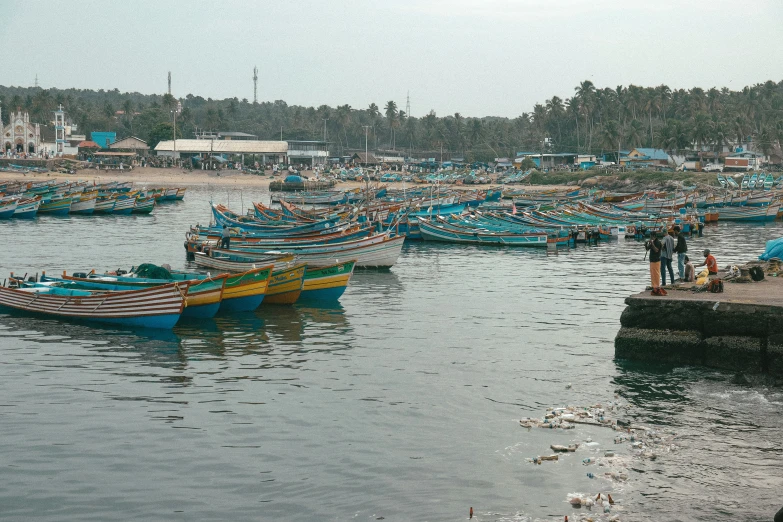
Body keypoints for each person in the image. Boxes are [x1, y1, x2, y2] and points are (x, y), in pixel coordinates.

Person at [646, 232, 665, 296]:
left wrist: (652, 244)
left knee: (656, 273)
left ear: (653, 236)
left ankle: (657, 285)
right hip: (652, 260)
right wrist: (646, 244)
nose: (650, 237)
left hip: (656, 260)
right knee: (652, 274)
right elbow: (647, 249)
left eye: (651, 236)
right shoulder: (652, 242)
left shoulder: (657, 242)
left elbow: (656, 250)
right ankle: (654, 285)